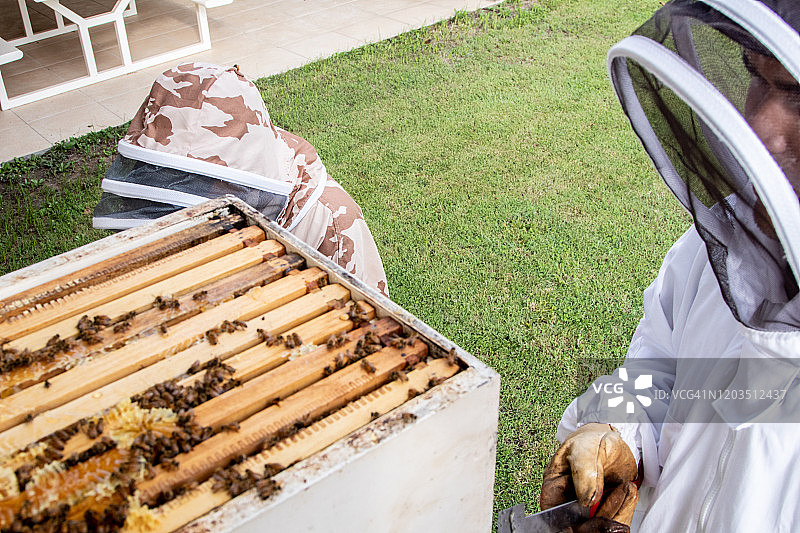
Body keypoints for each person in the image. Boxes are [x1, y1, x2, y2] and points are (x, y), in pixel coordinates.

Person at [540, 1, 800, 531]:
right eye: (756, 77)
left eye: (797, 93)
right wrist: (622, 434)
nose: (757, 127)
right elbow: (661, 368)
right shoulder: (716, 249)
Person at [92, 62, 388, 296]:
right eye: (175, 177)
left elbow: (370, 327)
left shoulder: (333, 224)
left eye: (199, 179)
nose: (182, 187)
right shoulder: (155, 187)